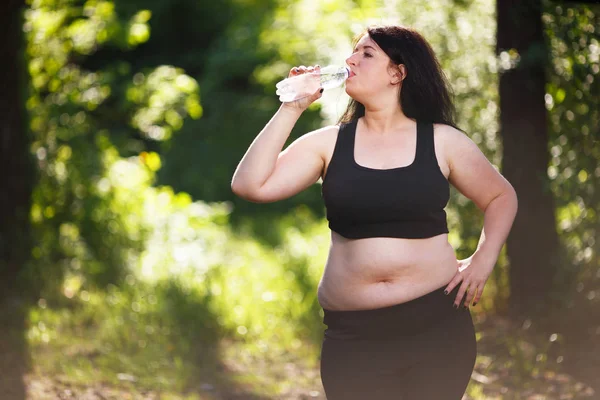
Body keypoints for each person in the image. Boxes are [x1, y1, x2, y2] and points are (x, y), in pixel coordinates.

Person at [231, 24, 518, 400]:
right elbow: (250, 185)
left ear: (397, 73)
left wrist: (484, 258)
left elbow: (501, 197)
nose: (350, 60)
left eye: (367, 54)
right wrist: (292, 107)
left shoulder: (442, 141)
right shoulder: (329, 144)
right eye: (353, 52)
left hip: (436, 328)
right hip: (354, 336)